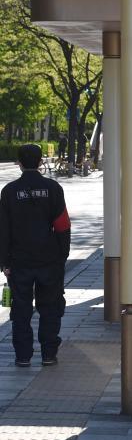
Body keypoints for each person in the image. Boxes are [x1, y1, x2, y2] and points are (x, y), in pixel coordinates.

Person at [0, 144, 71, 367]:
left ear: (18, 163)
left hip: (18, 261)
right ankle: (49, 353)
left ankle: (23, 356)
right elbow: (62, 226)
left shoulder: (9, 191)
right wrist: (62, 256)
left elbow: (3, 229)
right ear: (41, 162)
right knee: (50, 307)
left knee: (20, 309)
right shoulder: (53, 188)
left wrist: (4, 262)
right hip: (49, 259)